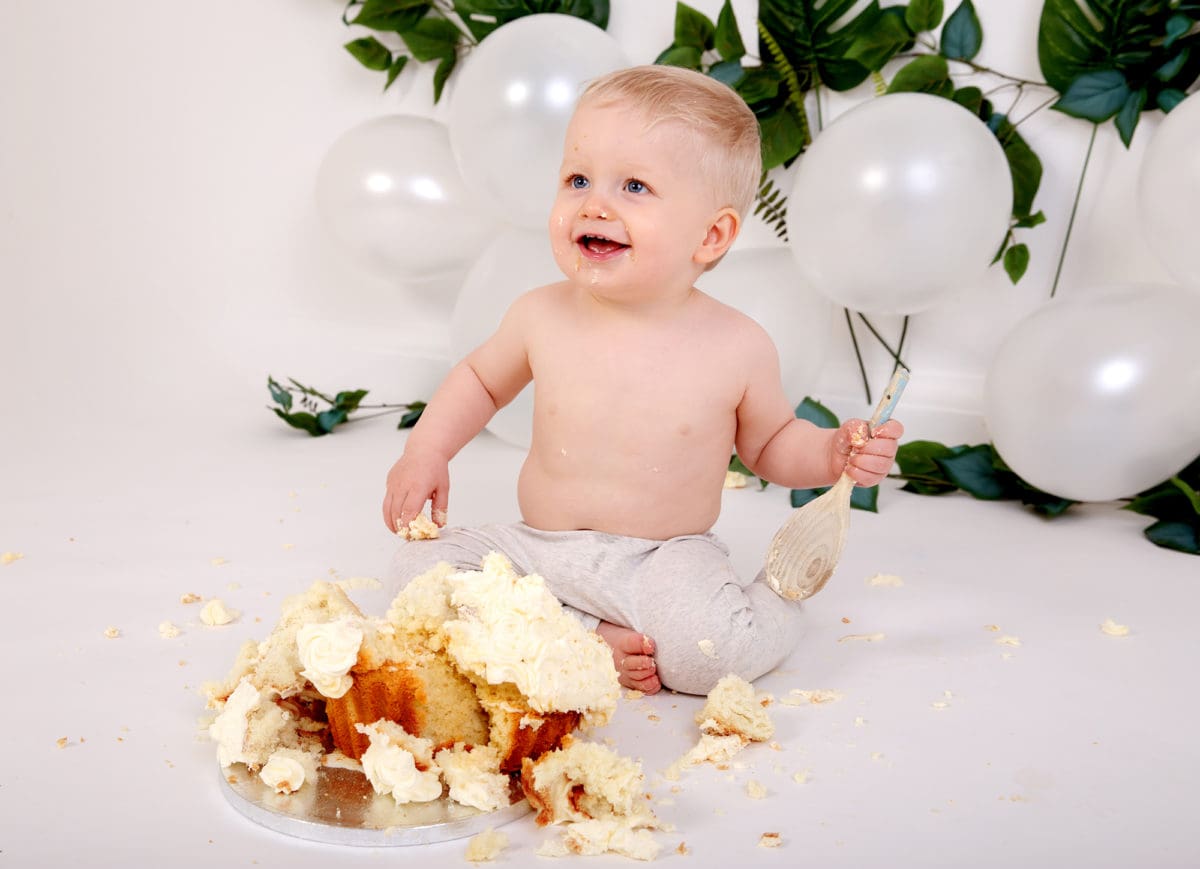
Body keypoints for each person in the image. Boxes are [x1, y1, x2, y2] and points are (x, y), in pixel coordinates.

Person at [381, 65, 903, 696]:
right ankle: (584, 631)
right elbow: (480, 383)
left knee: (710, 657)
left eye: (634, 186)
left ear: (711, 235)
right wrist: (426, 451)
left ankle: (775, 601)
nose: (594, 204)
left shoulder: (735, 345)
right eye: (578, 178)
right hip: (539, 550)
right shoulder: (539, 314)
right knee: (414, 579)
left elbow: (769, 446)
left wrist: (832, 452)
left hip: (661, 560)